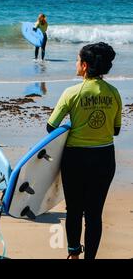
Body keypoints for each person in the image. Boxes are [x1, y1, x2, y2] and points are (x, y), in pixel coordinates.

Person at [47, 42, 122, 259]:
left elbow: (51, 126)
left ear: (85, 65)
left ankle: (73, 255)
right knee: (94, 214)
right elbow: (115, 130)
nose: (76, 63)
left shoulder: (72, 93)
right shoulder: (114, 93)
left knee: (74, 211)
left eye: (78, 60)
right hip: (104, 158)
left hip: (76, 160)